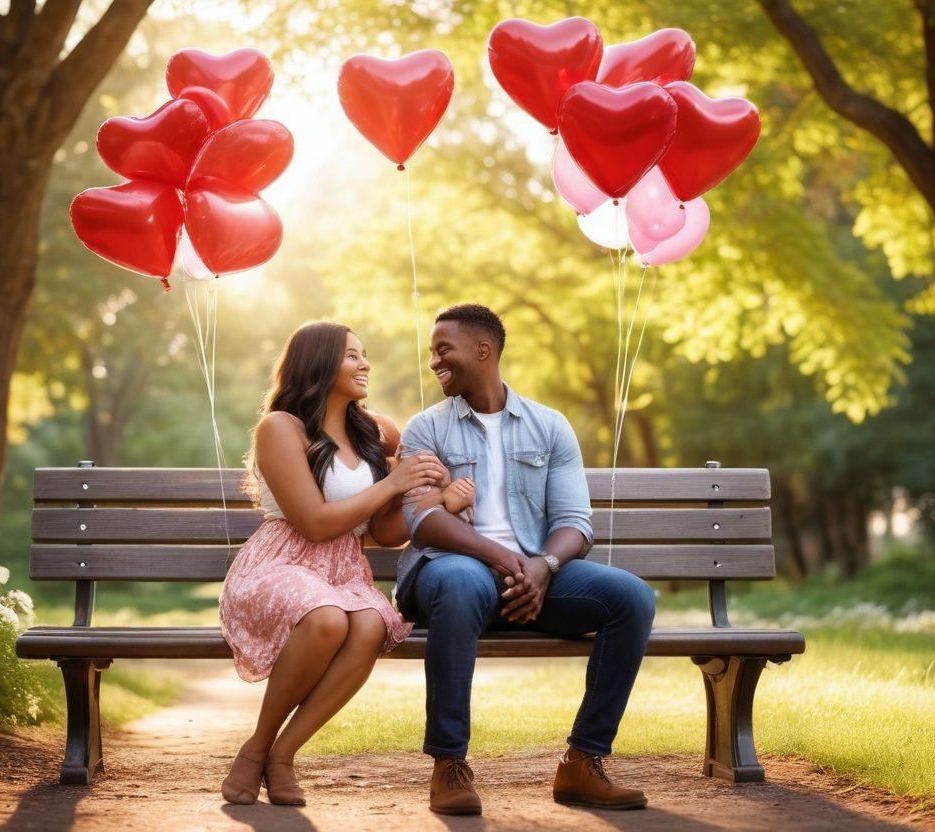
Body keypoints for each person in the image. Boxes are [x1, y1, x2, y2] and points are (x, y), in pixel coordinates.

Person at [395, 304, 657, 816]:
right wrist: (504, 558)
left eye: (443, 350)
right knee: (461, 581)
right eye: (432, 353)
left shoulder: (549, 426)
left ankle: (583, 762)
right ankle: (449, 763)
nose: (434, 362)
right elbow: (422, 520)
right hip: (453, 569)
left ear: (483, 350)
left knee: (631, 598)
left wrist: (543, 567)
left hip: (533, 578)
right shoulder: (426, 428)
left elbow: (575, 522)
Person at [218, 321, 447, 806]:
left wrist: (436, 497)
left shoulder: (378, 431)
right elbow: (314, 523)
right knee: (326, 618)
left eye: (364, 354)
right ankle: (257, 746)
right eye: (352, 356)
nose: (365, 364)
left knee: (369, 625)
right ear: (319, 363)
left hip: (344, 570)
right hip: (281, 561)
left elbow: (384, 532)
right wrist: (392, 482)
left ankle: (283, 755)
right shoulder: (281, 428)